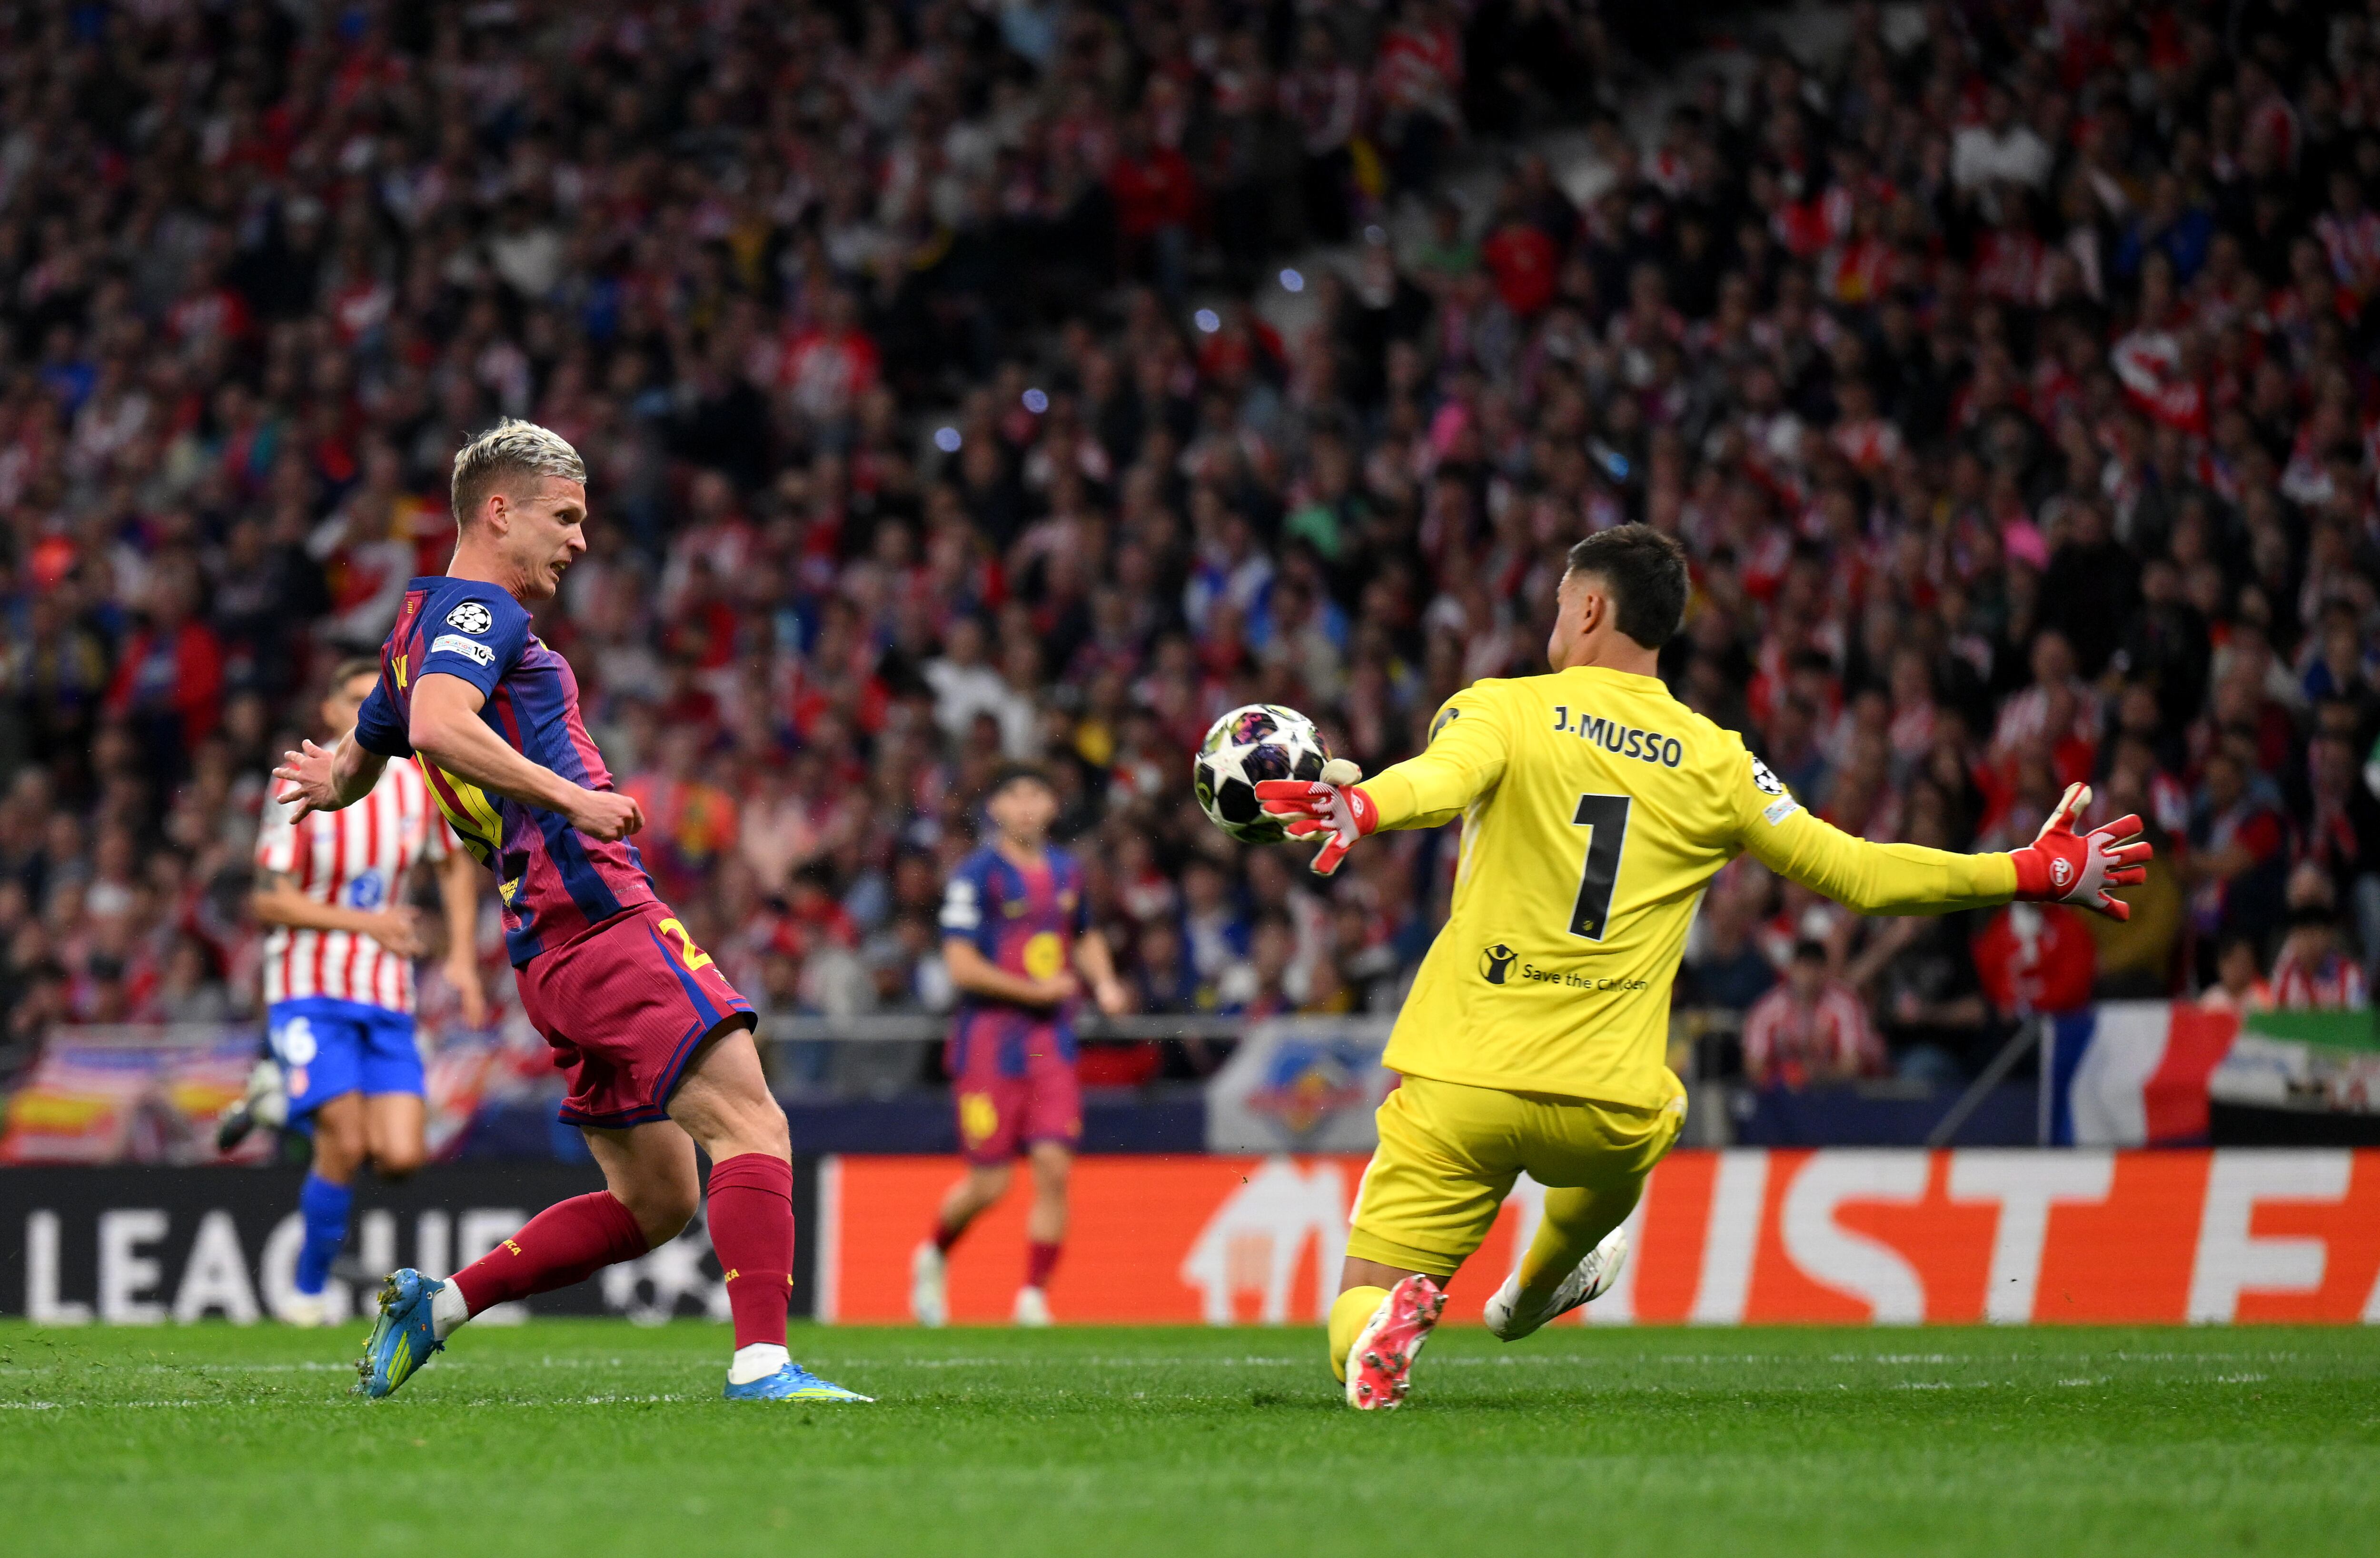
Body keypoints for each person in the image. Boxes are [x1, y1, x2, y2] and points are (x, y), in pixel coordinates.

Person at [1256, 526, 2150, 1409]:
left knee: (1359, 1301)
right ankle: (1531, 1294)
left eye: (1562, 603)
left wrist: (1364, 804)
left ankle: (1382, 1332)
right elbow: (1864, 874)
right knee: (1659, 1112)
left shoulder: (1501, 706)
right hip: (1609, 1100)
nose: (1554, 621)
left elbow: (1442, 781)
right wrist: (2031, 870)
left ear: (1594, 606)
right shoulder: (1719, 759)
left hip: (1463, 1083)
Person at [272, 419, 866, 1404]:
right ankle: (764, 1364)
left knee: (657, 1197)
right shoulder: (482, 612)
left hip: (544, 950)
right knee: (752, 1121)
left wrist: (333, 779)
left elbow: (373, 739)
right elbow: (435, 725)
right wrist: (573, 795)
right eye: (566, 516)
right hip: (596, 910)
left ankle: (441, 1305)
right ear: (498, 510)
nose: (580, 540)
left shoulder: (415, 627)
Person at [246, 657, 486, 1325]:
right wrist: (369, 922)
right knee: (344, 1143)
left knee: (403, 1155)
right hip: (308, 987)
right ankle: (307, 1288)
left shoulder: (415, 784)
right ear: (329, 711)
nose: (365, 711)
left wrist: (464, 958)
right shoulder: (298, 782)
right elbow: (269, 901)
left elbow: (454, 867)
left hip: (385, 995)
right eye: (354, 699)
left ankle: (279, 1099)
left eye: (375, 699)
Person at [911, 764, 1130, 1327]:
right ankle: (933, 1254)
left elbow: (1082, 936)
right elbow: (959, 964)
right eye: (1016, 796)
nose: (1028, 806)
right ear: (997, 811)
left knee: (1054, 1166)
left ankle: (1033, 1296)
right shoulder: (975, 874)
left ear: (1053, 806)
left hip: (1051, 1038)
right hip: (988, 1039)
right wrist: (1031, 988)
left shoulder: (1067, 872)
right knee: (990, 1183)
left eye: (1038, 794)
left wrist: (1103, 982)